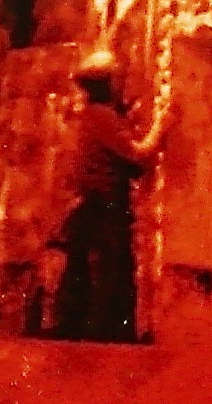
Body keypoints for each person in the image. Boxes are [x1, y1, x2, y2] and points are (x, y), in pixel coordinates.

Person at [48, 47, 166, 341]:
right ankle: (102, 336)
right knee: (110, 271)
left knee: (83, 269)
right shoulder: (102, 117)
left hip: (88, 203)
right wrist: (161, 126)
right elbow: (137, 155)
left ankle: (77, 330)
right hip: (104, 205)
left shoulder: (87, 116)